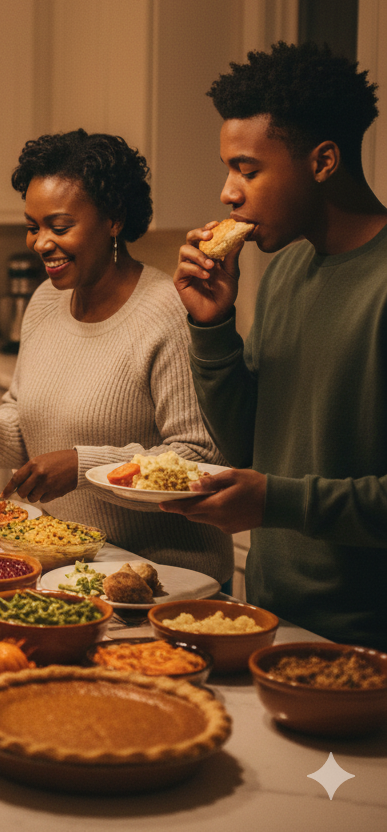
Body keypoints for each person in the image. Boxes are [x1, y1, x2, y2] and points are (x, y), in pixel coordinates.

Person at [165, 41, 386, 648]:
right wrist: (213, 326)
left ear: (322, 161)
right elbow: (246, 444)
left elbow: (276, 491)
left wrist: (277, 501)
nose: (228, 193)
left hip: (364, 639)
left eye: (248, 169)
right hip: (268, 615)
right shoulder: (286, 271)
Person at [0, 129, 233, 582]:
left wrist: (84, 466)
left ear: (114, 220)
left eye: (59, 227)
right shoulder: (44, 302)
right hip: (69, 566)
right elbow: (29, 418)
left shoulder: (168, 311)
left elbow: (196, 457)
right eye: (33, 227)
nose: (40, 243)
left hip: (164, 574)